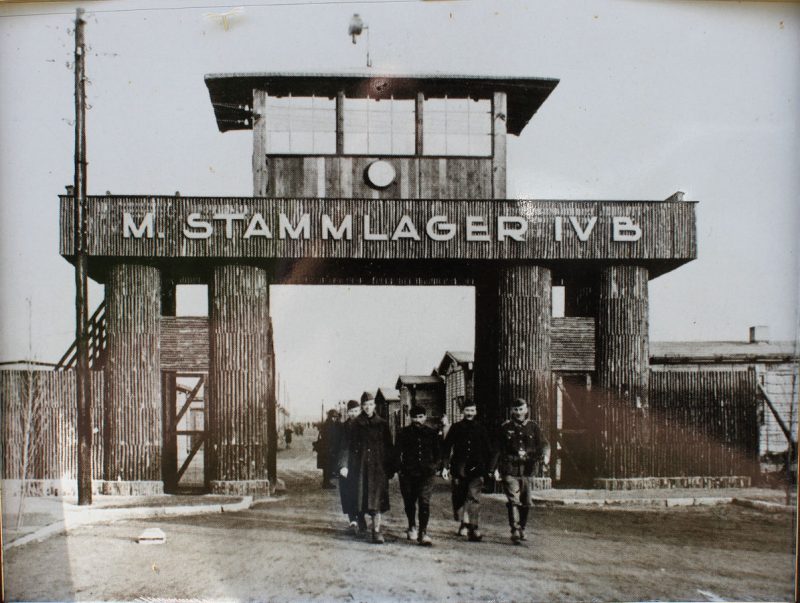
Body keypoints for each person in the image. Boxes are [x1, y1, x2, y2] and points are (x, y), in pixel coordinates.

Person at [492, 398, 550, 544]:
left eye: (521, 409)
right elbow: (497, 449)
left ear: (526, 410)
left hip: (527, 470)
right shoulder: (505, 427)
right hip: (509, 469)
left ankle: (522, 527)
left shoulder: (533, 427)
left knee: (526, 502)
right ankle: (515, 529)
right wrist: (493, 469)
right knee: (513, 500)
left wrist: (546, 455)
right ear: (512, 411)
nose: (518, 413)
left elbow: (544, 444)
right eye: (516, 410)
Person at [338, 396, 394, 544]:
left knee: (376, 502)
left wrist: (391, 467)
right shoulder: (354, 425)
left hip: (377, 469)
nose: (368, 407)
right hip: (359, 468)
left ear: (374, 405)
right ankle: (361, 522)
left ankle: (376, 531)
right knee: (360, 499)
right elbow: (345, 446)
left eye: (370, 404)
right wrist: (343, 465)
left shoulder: (382, 424)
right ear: (362, 406)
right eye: (365, 405)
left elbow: (389, 448)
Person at [441, 399, 492, 542]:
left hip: (476, 469)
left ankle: (474, 528)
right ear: (462, 411)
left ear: (476, 412)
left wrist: (489, 469)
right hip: (459, 469)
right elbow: (446, 448)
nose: (470, 413)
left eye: (472, 410)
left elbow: (488, 450)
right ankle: (463, 522)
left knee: (474, 498)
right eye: (467, 410)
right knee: (459, 498)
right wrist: (445, 467)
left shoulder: (481, 428)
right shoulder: (456, 428)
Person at [395, 405, 441, 546]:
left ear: (425, 417)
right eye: (415, 417)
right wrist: (399, 469)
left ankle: (423, 532)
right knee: (409, 502)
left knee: (424, 501)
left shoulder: (432, 433)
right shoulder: (403, 433)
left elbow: (439, 453)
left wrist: (435, 467)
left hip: (426, 474)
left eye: (420, 417)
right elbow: (396, 453)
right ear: (410, 417)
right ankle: (412, 526)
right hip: (408, 473)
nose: (417, 420)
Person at [338, 400, 362, 530]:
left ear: (360, 411)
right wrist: (343, 465)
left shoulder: (365, 425)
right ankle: (352, 519)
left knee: (361, 491)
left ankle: (361, 517)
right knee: (348, 491)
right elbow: (342, 447)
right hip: (348, 463)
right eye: (351, 411)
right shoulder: (343, 427)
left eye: (356, 411)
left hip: (362, 463)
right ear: (348, 412)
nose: (354, 414)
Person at [316, 409, 341, 489]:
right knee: (327, 467)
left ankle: (326, 482)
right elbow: (330, 438)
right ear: (330, 417)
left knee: (327, 467)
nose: (334, 419)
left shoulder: (327, 424)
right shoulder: (329, 425)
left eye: (335, 417)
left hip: (326, 449)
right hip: (328, 449)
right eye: (333, 417)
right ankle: (326, 483)